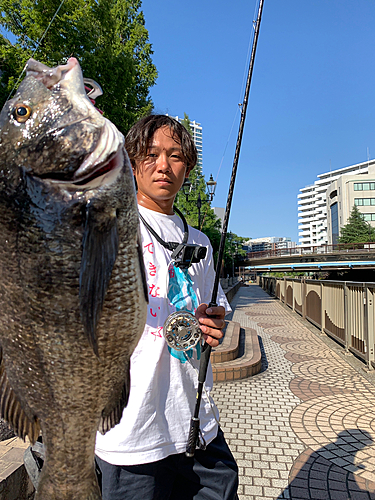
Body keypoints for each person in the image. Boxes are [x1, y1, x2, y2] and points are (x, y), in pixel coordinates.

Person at [95, 115, 239, 500]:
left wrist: (215, 325)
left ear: (188, 167)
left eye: (175, 156)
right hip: (130, 434)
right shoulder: (106, 227)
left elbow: (216, 310)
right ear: (130, 161)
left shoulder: (202, 243)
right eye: (151, 154)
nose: (163, 165)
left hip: (197, 425)